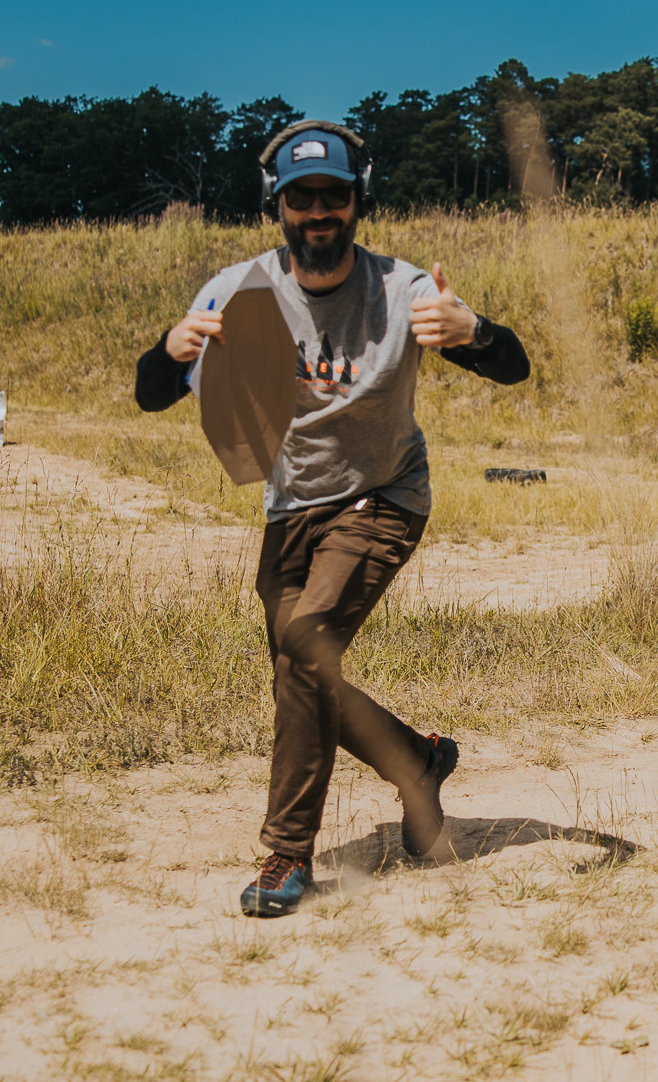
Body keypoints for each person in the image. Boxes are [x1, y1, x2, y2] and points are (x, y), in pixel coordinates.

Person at [134, 121, 530, 916]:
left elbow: (513, 362)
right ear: (276, 203)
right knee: (303, 664)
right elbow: (151, 390)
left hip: (383, 495)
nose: (319, 212)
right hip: (293, 508)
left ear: (357, 199)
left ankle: (287, 854)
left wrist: (475, 333)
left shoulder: (404, 288)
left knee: (305, 643)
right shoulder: (238, 290)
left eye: (334, 196)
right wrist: (174, 349)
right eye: (302, 197)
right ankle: (417, 762)